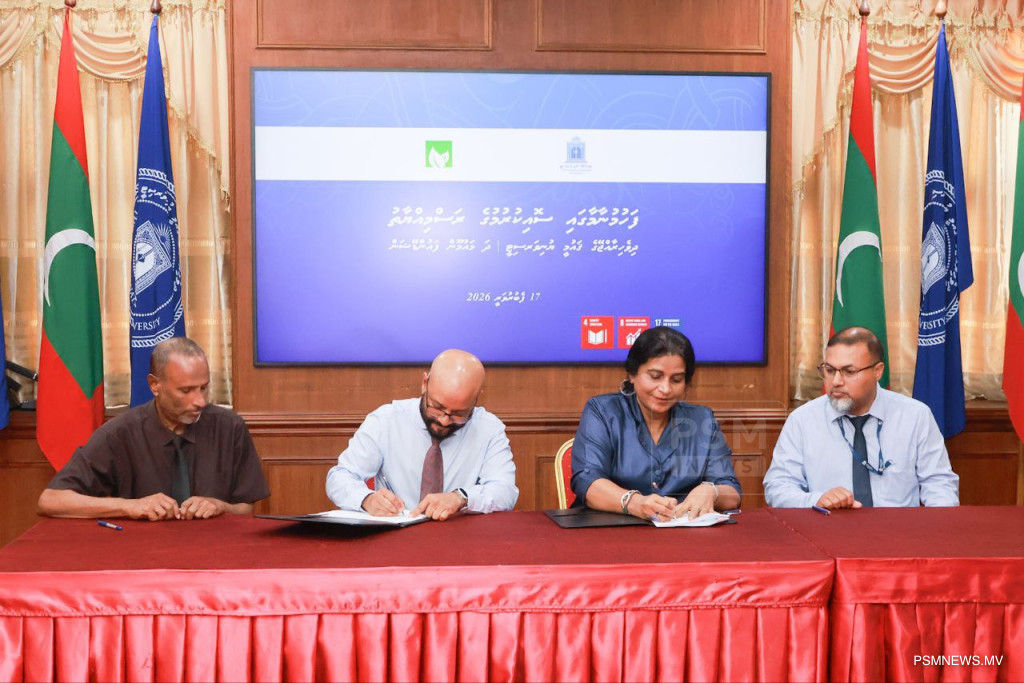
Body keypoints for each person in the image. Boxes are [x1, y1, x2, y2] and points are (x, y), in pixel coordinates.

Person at [37, 337, 270, 521]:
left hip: (214, 552)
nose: (200, 401)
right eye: (186, 391)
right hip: (139, 555)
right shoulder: (119, 433)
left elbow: (245, 509)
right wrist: (130, 506)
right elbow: (51, 500)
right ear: (155, 385)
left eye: (204, 388)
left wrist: (221, 506)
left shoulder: (229, 427)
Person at [763, 326, 959, 509]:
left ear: (877, 371)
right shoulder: (802, 420)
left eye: (849, 372)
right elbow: (777, 487)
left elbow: (939, 484)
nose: (836, 381)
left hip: (899, 531)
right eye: (829, 370)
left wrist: (938, 526)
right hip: (829, 529)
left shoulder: (915, 416)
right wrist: (816, 500)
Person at [571, 326, 741, 521]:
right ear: (632, 374)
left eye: (676, 379)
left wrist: (712, 491)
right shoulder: (603, 411)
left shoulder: (702, 419)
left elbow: (732, 492)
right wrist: (635, 503)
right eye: (655, 376)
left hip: (683, 533)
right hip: (610, 530)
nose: (665, 388)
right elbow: (587, 480)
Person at [326, 349, 518, 521]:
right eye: (437, 408)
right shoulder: (385, 420)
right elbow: (339, 477)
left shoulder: (489, 429)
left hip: (461, 538)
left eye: (459, 414)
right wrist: (366, 499)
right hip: (394, 537)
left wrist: (461, 498)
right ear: (425, 384)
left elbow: (505, 491)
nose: (444, 421)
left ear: (476, 399)